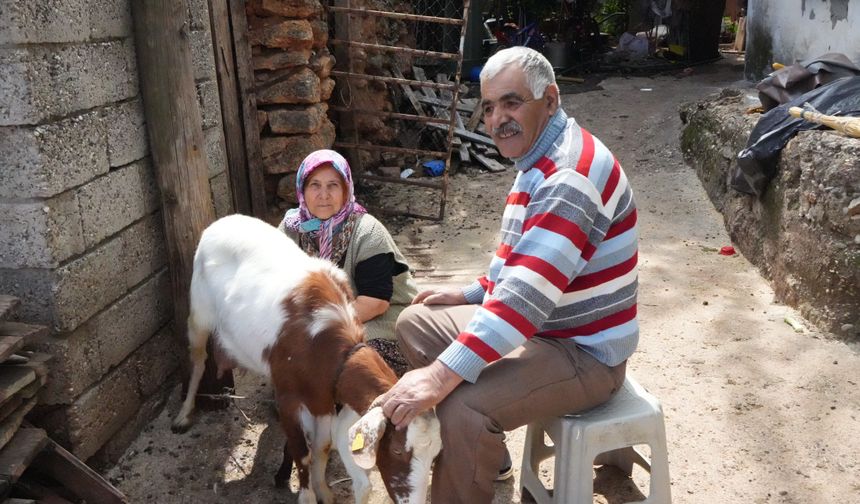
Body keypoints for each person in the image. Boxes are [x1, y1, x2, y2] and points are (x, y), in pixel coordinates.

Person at [377, 46, 639, 503]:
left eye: (512, 102)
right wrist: (472, 292)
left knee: (462, 405)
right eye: (489, 107)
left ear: (550, 100)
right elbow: (522, 262)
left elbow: (523, 300)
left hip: (585, 352)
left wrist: (439, 377)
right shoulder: (537, 157)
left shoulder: (568, 177)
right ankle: (489, 458)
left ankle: (466, 463)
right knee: (417, 321)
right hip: (545, 328)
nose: (498, 119)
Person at [278, 150, 418, 350]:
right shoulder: (291, 230)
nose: (323, 195)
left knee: (352, 353)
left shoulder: (367, 232)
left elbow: (375, 303)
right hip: (314, 321)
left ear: (346, 190)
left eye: (333, 185)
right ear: (302, 190)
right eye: (315, 185)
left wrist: (318, 329)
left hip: (381, 317)